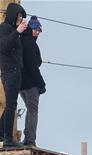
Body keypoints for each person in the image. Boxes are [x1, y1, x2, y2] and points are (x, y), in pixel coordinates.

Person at [0, 3, 28, 148]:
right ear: (13, 15)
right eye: (19, 15)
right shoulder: (4, 28)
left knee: (11, 105)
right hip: (9, 71)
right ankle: (7, 140)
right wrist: (17, 31)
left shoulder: (11, 30)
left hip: (15, 72)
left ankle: (2, 135)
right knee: (11, 105)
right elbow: (4, 46)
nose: (20, 18)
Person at [18, 15, 42, 147]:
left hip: (21, 84)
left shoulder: (20, 40)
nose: (37, 32)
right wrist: (41, 84)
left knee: (29, 109)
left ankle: (27, 138)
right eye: (35, 29)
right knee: (33, 111)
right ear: (30, 29)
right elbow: (33, 66)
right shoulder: (30, 44)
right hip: (31, 84)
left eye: (39, 30)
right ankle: (30, 140)